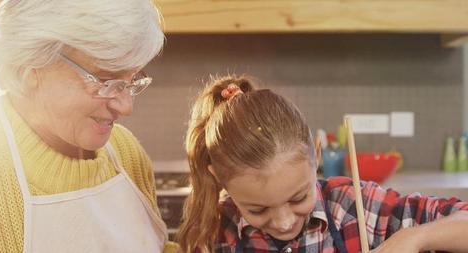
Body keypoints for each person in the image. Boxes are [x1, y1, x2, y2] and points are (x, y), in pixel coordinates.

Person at [177, 74, 468, 253]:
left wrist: (414, 238)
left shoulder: (355, 207)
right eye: (257, 209)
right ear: (218, 178)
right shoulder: (212, 233)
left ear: (315, 155)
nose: (284, 222)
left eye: (299, 197)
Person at [0, 0, 178, 252]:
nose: (126, 107)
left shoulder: (124, 150)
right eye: (105, 80)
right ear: (30, 67)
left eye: (131, 80)